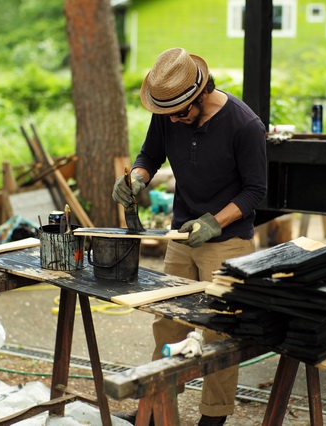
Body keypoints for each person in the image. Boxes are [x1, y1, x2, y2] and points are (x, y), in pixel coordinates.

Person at [112, 47, 267, 426]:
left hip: (228, 242)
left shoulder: (245, 125)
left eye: (182, 113)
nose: (175, 122)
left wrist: (216, 222)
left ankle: (212, 419)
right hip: (181, 237)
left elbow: (255, 191)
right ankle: (155, 408)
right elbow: (150, 154)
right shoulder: (169, 112)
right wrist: (137, 178)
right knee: (168, 323)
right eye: (169, 115)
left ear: (200, 94)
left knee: (217, 333)